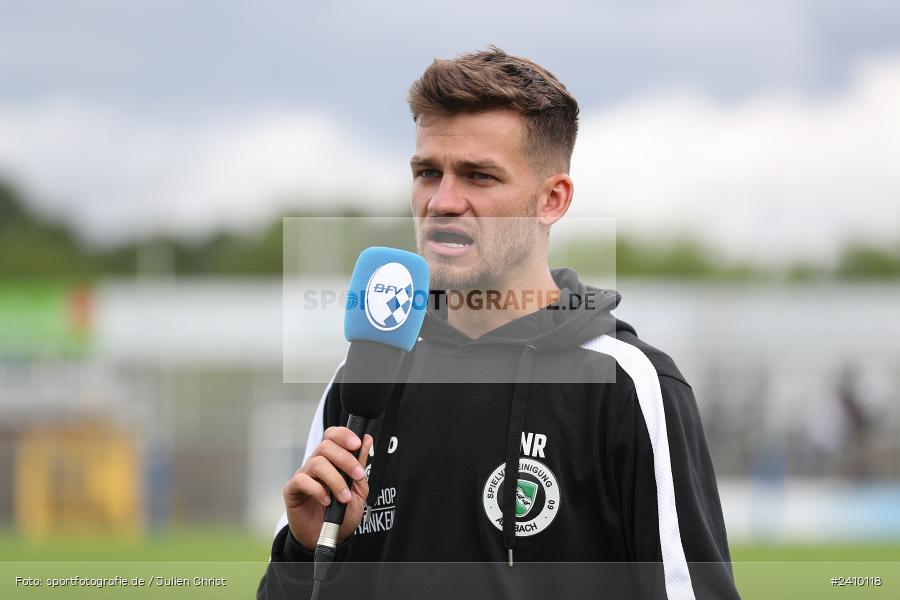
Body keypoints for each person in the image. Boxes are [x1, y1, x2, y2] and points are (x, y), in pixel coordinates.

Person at [259, 47, 740, 599]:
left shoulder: (631, 387)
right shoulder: (362, 381)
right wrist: (302, 548)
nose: (443, 201)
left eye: (478, 177)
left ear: (552, 199)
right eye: (427, 173)